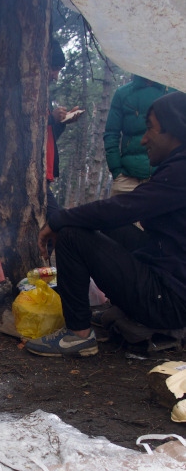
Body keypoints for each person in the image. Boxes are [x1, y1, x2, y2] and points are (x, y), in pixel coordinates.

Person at [25, 91, 186, 358]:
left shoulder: (181, 173)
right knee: (101, 225)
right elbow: (116, 215)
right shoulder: (177, 168)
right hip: (170, 280)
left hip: (169, 301)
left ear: (176, 132)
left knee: (72, 234)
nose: (144, 139)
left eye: (150, 130)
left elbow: (124, 208)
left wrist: (60, 218)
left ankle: (78, 335)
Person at [104, 76, 175, 197]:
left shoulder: (174, 93)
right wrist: (116, 171)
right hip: (127, 178)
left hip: (163, 178)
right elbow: (111, 133)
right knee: (118, 215)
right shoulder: (123, 93)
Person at [46, 40, 83, 221]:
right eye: (54, 68)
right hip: (33, 175)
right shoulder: (24, 93)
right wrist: (50, 118)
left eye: (58, 70)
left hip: (42, 176)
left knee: (53, 223)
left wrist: (62, 122)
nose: (55, 76)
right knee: (55, 223)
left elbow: (48, 138)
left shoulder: (44, 96)